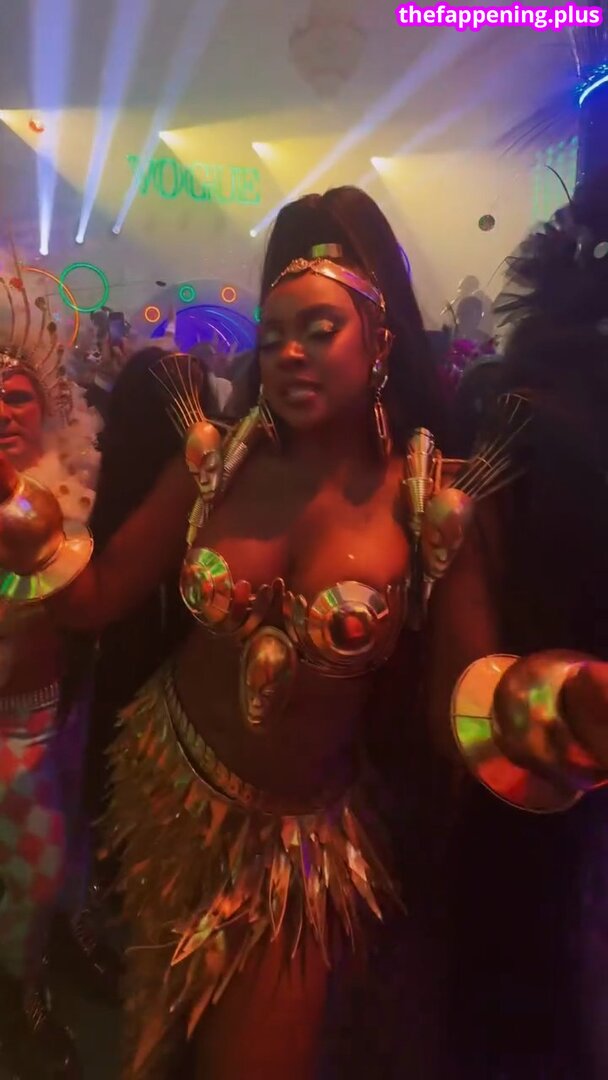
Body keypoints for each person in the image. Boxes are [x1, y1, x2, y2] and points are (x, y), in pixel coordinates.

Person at [0, 188, 515, 1079]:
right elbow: (98, 600)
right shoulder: (219, 459)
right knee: (152, 1046)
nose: (290, 353)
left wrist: (546, 713)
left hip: (298, 853)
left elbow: (454, 723)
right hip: (163, 787)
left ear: (381, 342)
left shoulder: (436, 503)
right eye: (273, 336)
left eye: (320, 329)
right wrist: (29, 528)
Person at [0, 280, 100, 1078]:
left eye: (16, 396)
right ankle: (18, 993)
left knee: (48, 865)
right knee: (30, 871)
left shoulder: (71, 487)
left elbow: (88, 605)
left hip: (52, 716)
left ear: (45, 407)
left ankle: (32, 974)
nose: (3, 413)